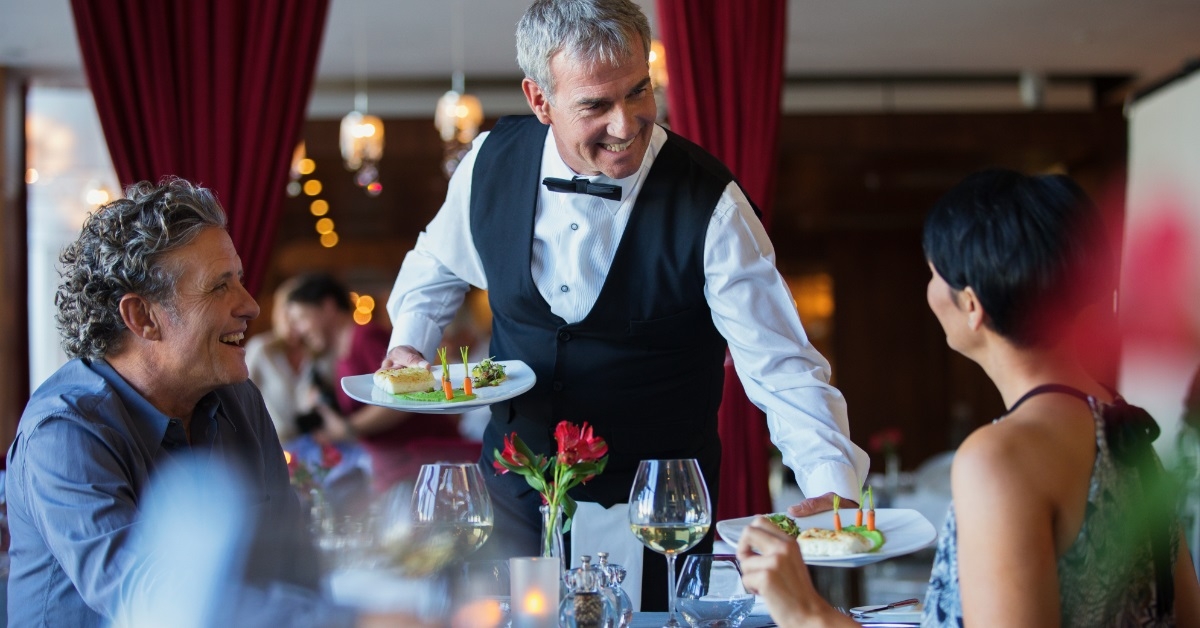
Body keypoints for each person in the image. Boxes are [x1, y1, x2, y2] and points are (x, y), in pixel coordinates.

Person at [381, 0, 867, 608]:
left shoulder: (712, 205)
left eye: (639, 91)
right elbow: (436, 265)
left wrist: (831, 486)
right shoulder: (489, 164)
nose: (626, 122)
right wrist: (410, 342)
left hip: (660, 514)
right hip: (513, 498)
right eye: (595, 105)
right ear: (540, 101)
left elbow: (781, 364)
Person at [736, 169, 1200, 626]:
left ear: (972, 305)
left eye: (934, 272)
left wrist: (805, 612)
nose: (930, 289)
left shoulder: (1000, 459)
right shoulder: (1127, 432)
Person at [3, 178, 364, 626]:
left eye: (240, 281)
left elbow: (291, 560)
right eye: (219, 287)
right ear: (143, 317)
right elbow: (152, 597)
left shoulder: (239, 400)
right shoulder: (65, 432)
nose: (251, 306)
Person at [285, 273, 480, 493]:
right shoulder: (342, 352)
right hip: (396, 467)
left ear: (328, 306)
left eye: (301, 318)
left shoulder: (366, 337)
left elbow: (404, 397)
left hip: (422, 464)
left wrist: (348, 429)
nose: (298, 330)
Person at [245, 275, 335, 444]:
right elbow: (241, 402)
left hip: (313, 444)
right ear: (280, 313)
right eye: (290, 314)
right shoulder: (261, 349)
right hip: (270, 444)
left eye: (302, 315)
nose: (296, 322)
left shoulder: (317, 352)